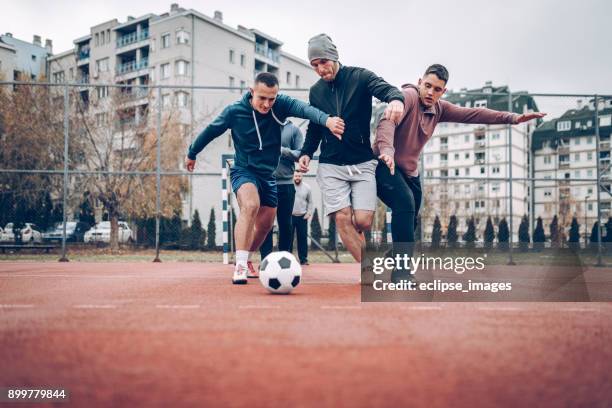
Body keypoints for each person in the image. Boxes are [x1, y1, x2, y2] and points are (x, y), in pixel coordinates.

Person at [374, 64, 546, 281]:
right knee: (405, 204)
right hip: (383, 164)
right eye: (427, 86)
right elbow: (386, 123)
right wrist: (386, 150)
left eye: (437, 89)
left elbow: (473, 114)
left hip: (409, 172)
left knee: (412, 217)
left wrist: (512, 118)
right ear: (419, 82)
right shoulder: (407, 97)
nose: (430, 93)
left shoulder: (439, 109)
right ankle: (402, 273)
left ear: (443, 92)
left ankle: (396, 253)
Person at [186, 72, 344, 284]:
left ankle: (247, 256)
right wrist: (192, 153)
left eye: (272, 98)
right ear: (252, 92)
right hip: (244, 170)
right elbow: (211, 131)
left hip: (268, 175)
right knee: (251, 205)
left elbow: (305, 110)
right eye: (262, 98)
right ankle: (240, 266)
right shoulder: (235, 112)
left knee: (265, 224)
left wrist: (327, 121)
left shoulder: (280, 104)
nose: (267, 104)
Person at [298, 33, 404, 263]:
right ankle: (369, 269)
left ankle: (364, 257)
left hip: (362, 162)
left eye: (323, 62)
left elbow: (386, 89)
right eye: (314, 65)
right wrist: (306, 152)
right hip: (331, 164)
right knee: (342, 219)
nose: (320, 69)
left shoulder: (360, 77)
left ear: (334, 56)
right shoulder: (316, 91)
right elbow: (315, 127)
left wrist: (396, 100)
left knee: (363, 221)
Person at [258, 121, 304, 269]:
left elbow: (300, 154)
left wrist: (281, 150)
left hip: (286, 185)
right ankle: (265, 261)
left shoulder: (294, 130)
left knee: (285, 224)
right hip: (265, 183)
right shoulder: (262, 126)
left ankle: (286, 262)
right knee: (266, 224)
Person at [290, 171, 314, 265]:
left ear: (302, 176)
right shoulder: (289, 186)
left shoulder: (307, 188)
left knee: (302, 239)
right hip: (290, 217)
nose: (297, 177)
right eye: (296, 176)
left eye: (299, 176)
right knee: (289, 239)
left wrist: (309, 213)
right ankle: (289, 259)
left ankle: (303, 259)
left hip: (302, 217)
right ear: (293, 176)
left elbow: (310, 202)